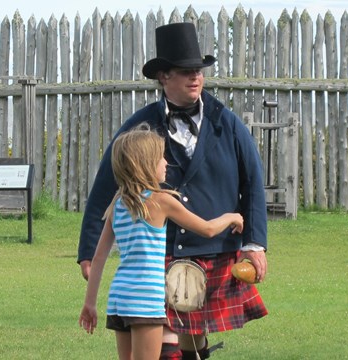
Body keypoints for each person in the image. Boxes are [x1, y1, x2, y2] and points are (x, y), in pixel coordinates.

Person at [77, 22, 268, 360]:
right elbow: (107, 184)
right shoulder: (140, 127)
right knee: (164, 351)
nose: (195, 77)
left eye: (199, 71)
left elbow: (252, 181)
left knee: (193, 347)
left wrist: (254, 243)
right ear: (164, 76)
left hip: (213, 250)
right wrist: (88, 250)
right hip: (158, 256)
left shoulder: (228, 123)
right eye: (185, 71)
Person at [78, 124, 244, 360]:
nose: (166, 163)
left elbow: (98, 258)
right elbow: (207, 229)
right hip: (146, 299)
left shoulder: (117, 204)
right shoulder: (161, 201)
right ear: (145, 165)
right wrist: (232, 216)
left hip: (119, 298)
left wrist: (90, 304)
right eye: (161, 158)